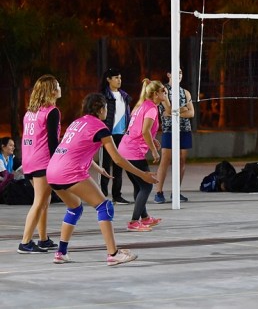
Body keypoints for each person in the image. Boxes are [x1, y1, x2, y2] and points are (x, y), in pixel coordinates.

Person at [47, 93, 157, 265]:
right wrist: (143, 174)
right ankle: (113, 254)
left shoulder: (77, 123)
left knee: (74, 208)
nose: (107, 110)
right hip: (69, 172)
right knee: (104, 206)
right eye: (105, 107)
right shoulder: (100, 127)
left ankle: (61, 252)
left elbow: (75, 149)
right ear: (100, 109)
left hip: (52, 171)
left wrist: (98, 168)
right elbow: (118, 159)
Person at [17, 75, 62, 254]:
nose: (60, 87)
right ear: (51, 90)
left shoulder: (30, 112)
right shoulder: (52, 111)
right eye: (57, 85)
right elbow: (52, 141)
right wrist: (58, 161)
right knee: (39, 202)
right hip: (42, 161)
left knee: (44, 201)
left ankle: (43, 239)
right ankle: (25, 242)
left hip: (29, 160)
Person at [117, 79, 169, 232]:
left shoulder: (142, 106)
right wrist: (153, 150)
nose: (165, 94)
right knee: (146, 185)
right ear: (155, 94)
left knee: (139, 185)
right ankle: (134, 222)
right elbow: (145, 130)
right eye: (163, 92)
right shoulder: (151, 108)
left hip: (125, 149)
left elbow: (137, 129)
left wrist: (152, 141)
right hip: (134, 152)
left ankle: (145, 218)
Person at [154, 70, 195, 204]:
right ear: (169, 75)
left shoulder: (185, 92)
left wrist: (179, 112)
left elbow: (191, 113)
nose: (179, 76)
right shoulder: (163, 90)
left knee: (182, 160)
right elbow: (167, 112)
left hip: (184, 129)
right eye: (176, 73)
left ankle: (176, 192)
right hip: (169, 129)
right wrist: (182, 110)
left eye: (181, 73)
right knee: (165, 159)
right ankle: (158, 192)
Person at [99, 68, 133, 205]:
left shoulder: (124, 96)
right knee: (105, 167)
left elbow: (127, 115)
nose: (119, 80)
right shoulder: (103, 96)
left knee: (119, 166)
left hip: (121, 136)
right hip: (108, 136)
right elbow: (99, 117)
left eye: (120, 78)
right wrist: (100, 136)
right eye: (116, 78)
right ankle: (102, 195)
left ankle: (117, 196)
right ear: (108, 79)